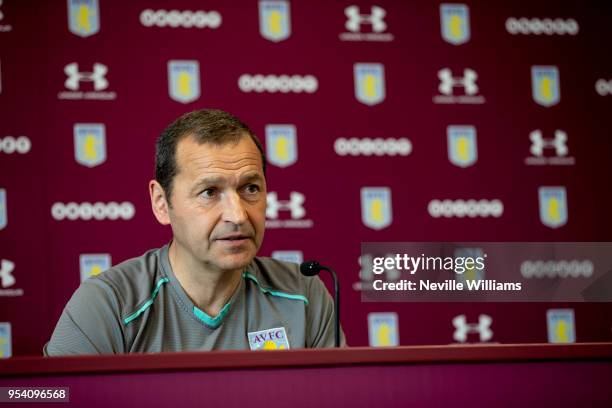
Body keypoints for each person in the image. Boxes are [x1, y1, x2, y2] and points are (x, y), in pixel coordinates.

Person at [45, 109, 345, 355]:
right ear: (162, 203)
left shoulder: (303, 294)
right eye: (209, 192)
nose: (238, 215)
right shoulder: (108, 304)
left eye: (250, 188)